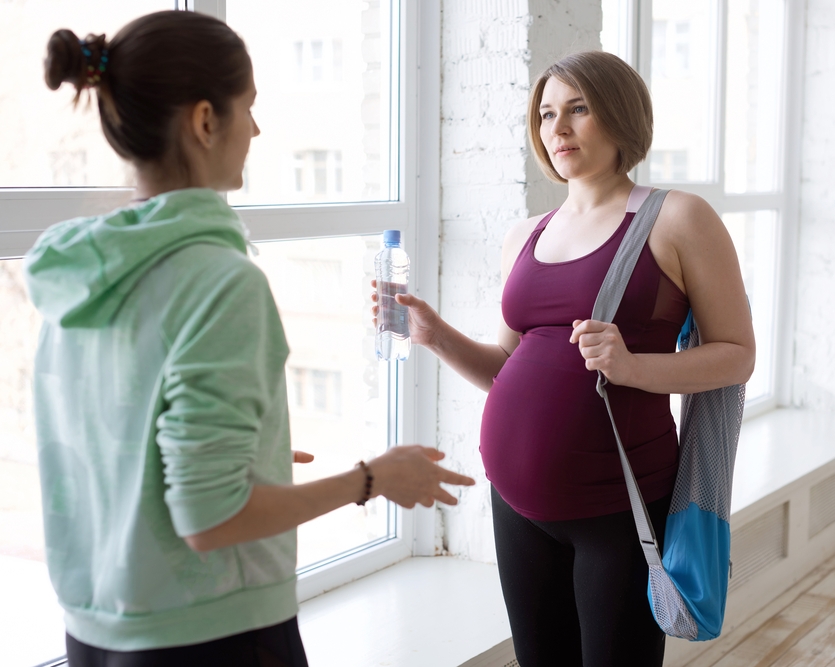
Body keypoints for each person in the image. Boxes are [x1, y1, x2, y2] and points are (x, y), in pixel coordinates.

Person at [26, 10, 474, 667]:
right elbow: (211, 521)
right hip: (206, 638)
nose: (256, 130)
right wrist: (374, 478)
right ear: (205, 121)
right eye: (249, 109)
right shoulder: (219, 281)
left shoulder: (78, 272)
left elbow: (112, 437)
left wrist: (246, 451)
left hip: (95, 631)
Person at [373, 51, 755, 666]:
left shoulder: (679, 217)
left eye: (578, 108)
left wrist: (634, 368)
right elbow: (505, 367)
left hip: (617, 511)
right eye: (547, 113)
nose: (558, 128)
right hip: (516, 508)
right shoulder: (524, 235)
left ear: (621, 115)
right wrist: (435, 334)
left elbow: (736, 356)